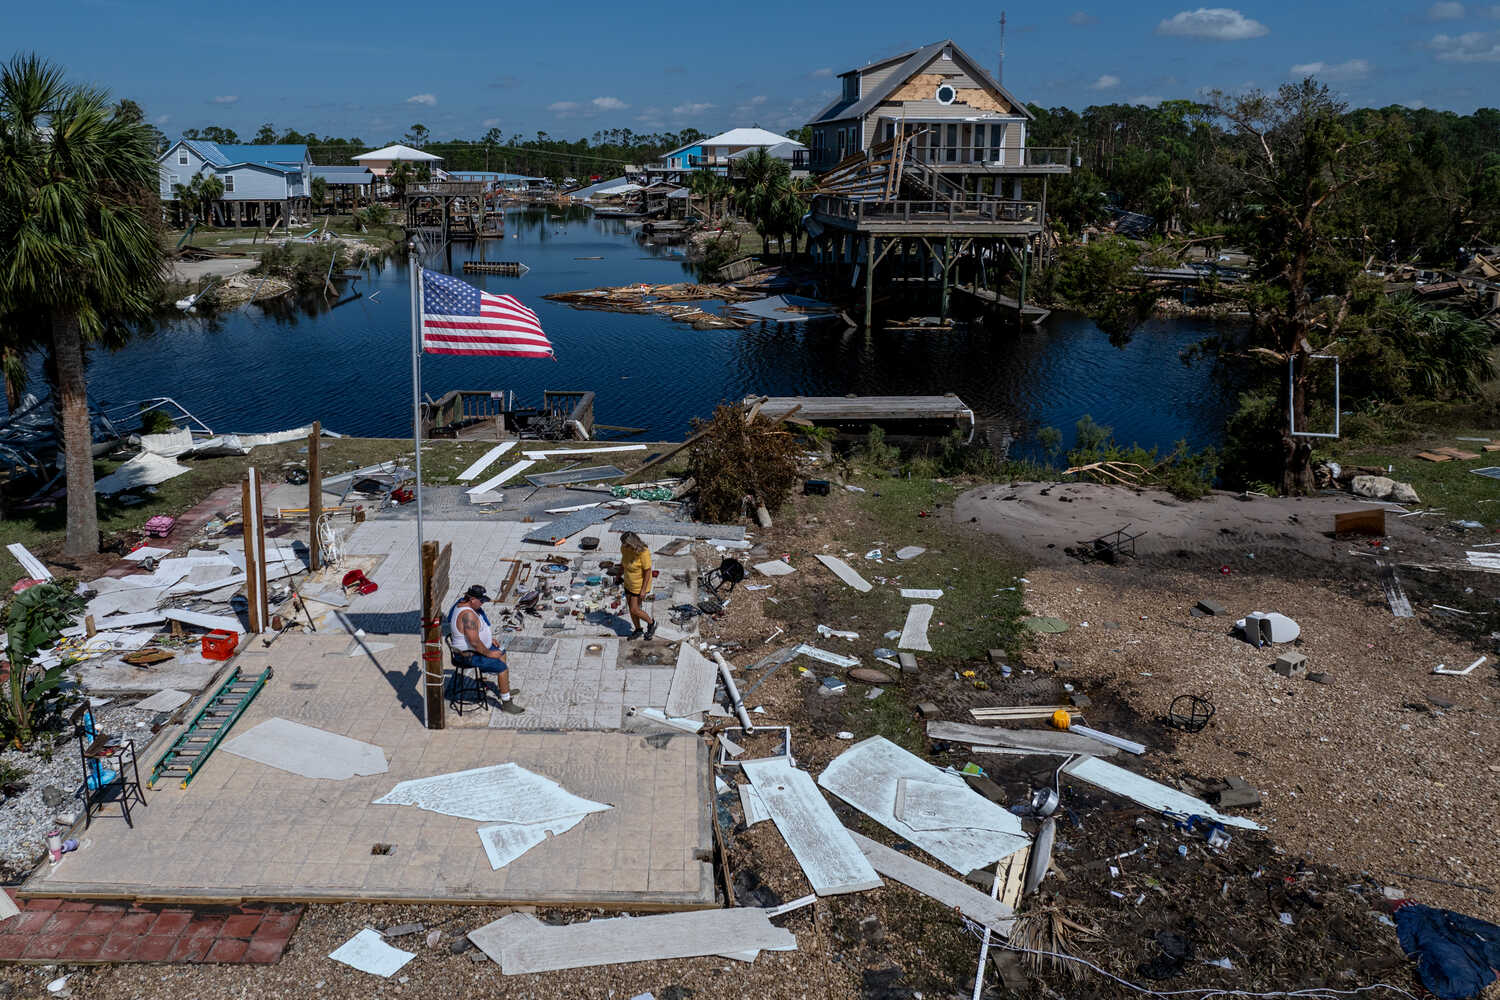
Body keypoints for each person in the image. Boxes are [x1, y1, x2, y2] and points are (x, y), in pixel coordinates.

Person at [448, 584, 524, 714]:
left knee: (501, 652)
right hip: (468, 655)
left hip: (474, 649)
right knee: (502, 668)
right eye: (481, 601)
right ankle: (507, 703)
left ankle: (503, 690)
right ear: (472, 600)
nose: (482, 604)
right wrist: (488, 653)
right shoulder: (468, 616)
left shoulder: (462, 603)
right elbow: (474, 641)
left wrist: (489, 640)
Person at [618, 532, 657, 640]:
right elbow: (623, 562)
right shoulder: (624, 548)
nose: (624, 546)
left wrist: (643, 590)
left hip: (639, 585)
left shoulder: (643, 553)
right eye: (623, 544)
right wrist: (618, 575)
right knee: (631, 609)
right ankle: (638, 629)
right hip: (628, 582)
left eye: (626, 545)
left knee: (635, 609)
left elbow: (648, 572)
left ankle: (651, 623)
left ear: (633, 544)